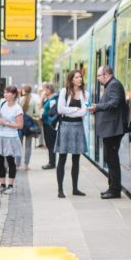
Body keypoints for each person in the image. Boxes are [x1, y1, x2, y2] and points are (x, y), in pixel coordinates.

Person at [87, 65, 126, 199]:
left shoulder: (114, 85)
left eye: (99, 76)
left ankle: (115, 190)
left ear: (106, 74)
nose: (98, 79)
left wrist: (97, 107)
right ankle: (112, 187)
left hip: (113, 130)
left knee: (112, 159)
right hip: (110, 129)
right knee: (109, 158)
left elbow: (114, 103)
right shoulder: (111, 84)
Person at [55, 70, 89, 198]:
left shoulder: (86, 94)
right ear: (71, 79)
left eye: (80, 77)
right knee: (62, 158)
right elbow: (60, 109)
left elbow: (84, 113)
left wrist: (71, 111)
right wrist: (76, 109)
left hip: (78, 127)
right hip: (65, 126)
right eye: (76, 77)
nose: (79, 79)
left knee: (76, 159)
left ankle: (75, 188)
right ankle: (60, 189)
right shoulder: (65, 91)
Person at [0, 85, 23, 194]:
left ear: (13, 95)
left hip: (11, 137)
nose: (5, 95)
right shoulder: (2, 103)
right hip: (0, 135)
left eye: (8, 93)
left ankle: (10, 185)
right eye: (5, 92)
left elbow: (20, 125)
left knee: (10, 160)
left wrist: (6, 123)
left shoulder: (17, 108)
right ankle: (2, 184)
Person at [18, 84, 40, 170]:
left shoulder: (20, 100)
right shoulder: (34, 101)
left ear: (24, 91)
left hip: (20, 125)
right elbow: (37, 113)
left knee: (19, 146)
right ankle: (26, 165)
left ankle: (17, 164)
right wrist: (31, 116)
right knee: (28, 146)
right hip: (29, 126)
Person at [40, 83, 59, 170]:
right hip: (46, 123)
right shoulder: (48, 98)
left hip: (50, 124)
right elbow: (41, 107)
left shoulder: (54, 99)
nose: (44, 91)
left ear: (49, 90)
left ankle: (52, 162)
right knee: (49, 143)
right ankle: (51, 161)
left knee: (50, 143)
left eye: (45, 90)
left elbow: (52, 112)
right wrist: (42, 97)